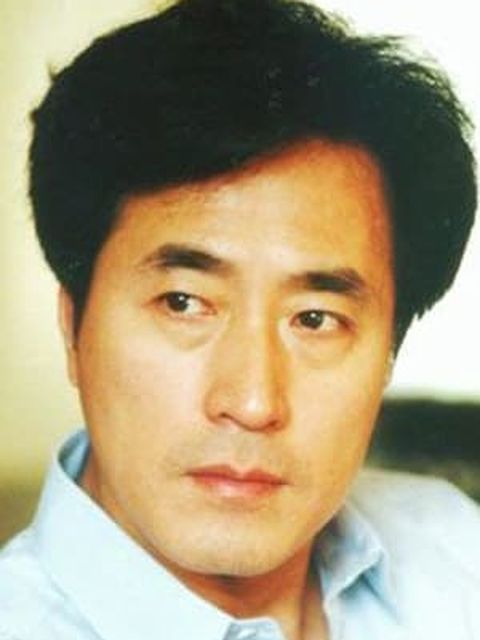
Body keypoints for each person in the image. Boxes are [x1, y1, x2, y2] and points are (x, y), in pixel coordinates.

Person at [0, 0, 479, 638]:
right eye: (183, 303)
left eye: (315, 319)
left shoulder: (454, 552)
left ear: (390, 349)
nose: (252, 403)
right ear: (73, 327)